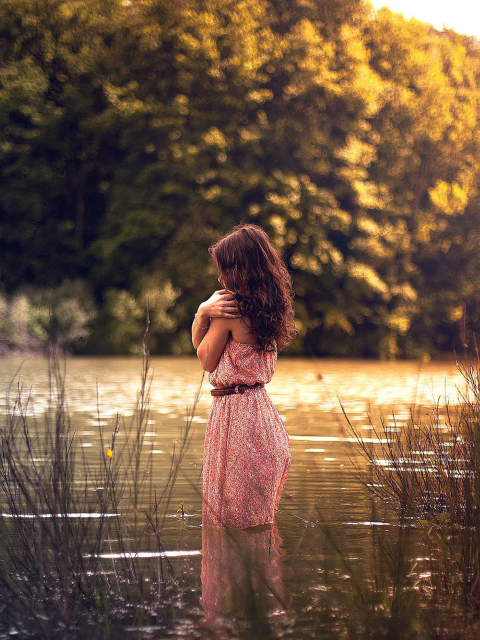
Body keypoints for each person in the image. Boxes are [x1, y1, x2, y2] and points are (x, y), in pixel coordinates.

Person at [192, 224, 296, 529]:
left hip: (235, 422)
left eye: (225, 269)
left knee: (226, 526)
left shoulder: (229, 312)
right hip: (264, 422)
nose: (221, 277)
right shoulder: (270, 309)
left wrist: (202, 312)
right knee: (258, 529)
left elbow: (205, 359)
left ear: (241, 269)